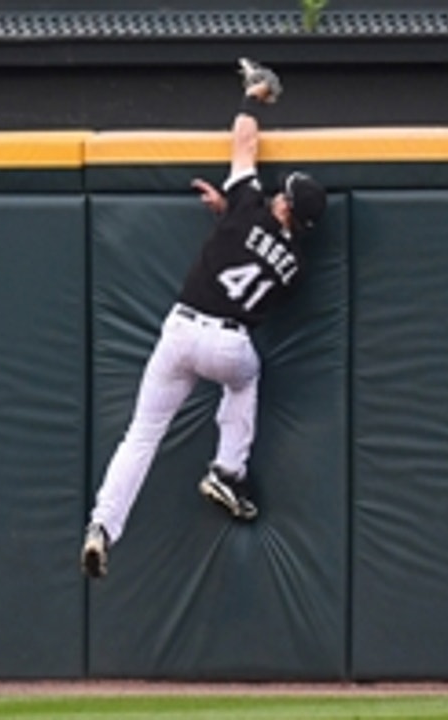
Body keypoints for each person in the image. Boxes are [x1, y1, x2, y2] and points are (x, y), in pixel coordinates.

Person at [81, 58, 327, 579]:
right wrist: (229, 219)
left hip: (182, 328)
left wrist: (251, 97)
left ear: (285, 207)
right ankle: (226, 468)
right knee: (245, 383)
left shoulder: (250, 206)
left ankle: (103, 525)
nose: (280, 193)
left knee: (142, 434)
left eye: (286, 194)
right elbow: (257, 265)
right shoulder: (296, 267)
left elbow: (243, 142)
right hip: (231, 343)